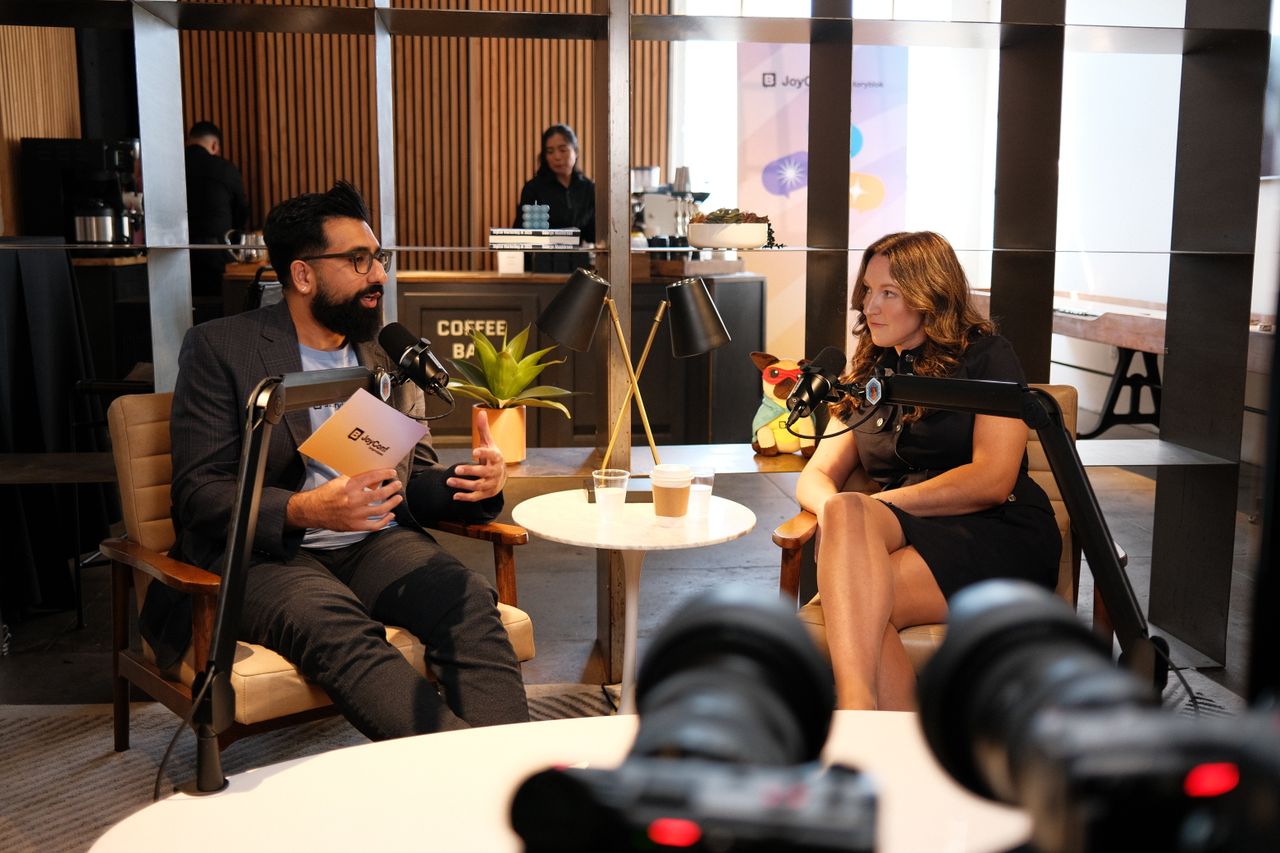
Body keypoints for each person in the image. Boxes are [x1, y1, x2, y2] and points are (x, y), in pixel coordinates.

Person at [146, 180, 529, 738]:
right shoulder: (221, 349)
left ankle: (509, 770)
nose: (379, 275)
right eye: (358, 260)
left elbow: (412, 479)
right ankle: (460, 769)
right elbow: (200, 493)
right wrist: (307, 510)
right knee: (335, 626)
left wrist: (469, 482)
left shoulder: (385, 353)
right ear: (303, 275)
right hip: (265, 555)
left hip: (373, 542)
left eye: (378, 258)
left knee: (465, 598)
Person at [795, 231, 1061, 712]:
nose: (869, 307)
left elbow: (993, 480)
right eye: (868, 291)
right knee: (851, 543)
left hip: (993, 531)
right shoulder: (868, 372)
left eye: (888, 293)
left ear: (930, 295)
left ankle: (858, 721)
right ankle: (871, 720)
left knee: (855, 606)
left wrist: (872, 507)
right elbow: (815, 476)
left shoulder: (986, 356)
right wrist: (841, 519)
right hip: (904, 532)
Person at [184, 120, 249, 314]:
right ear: (214, 145)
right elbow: (241, 211)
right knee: (219, 309)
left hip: (175, 253)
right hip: (216, 251)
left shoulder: (172, 168)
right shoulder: (225, 168)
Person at [513, 123, 595, 273]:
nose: (557, 157)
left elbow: (594, 234)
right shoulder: (534, 188)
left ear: (576, 151)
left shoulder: (589, 188)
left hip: (578, 269)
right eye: (550, 151)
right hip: (541, 268)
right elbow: (521, 234)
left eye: (563, 150)